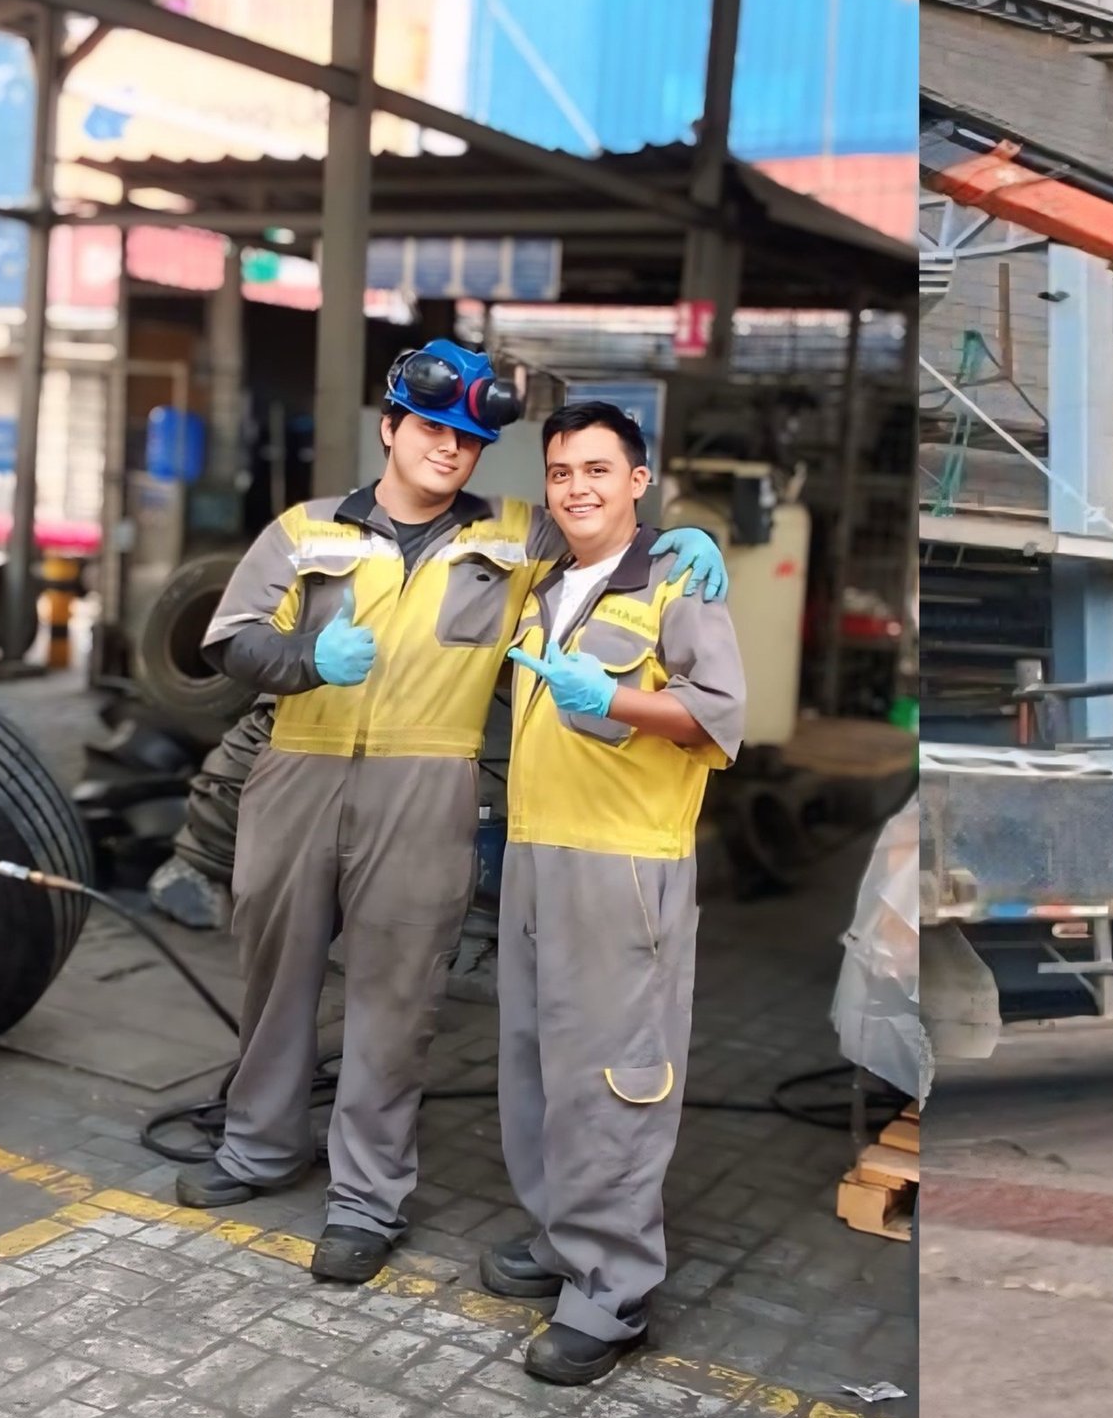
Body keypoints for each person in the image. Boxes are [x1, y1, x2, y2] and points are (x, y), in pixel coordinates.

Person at [173, 343, 727, 1289]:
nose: (449, 450)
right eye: (431, 428)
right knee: (276, 974)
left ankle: (366, 1200)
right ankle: (261, 1147)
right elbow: (229, 640)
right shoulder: (305, 530)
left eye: (469, 440)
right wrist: (308, 660)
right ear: (389, 428)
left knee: (397, 999)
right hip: (298, 774)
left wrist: (676, 540)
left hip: (427, 789)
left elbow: (606, 543)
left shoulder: (517, 535)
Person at [475, 400, 746, 1386]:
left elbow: (720, 716)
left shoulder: (677, 582)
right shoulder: (545, 582)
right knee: (536, 1064)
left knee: (615, 1079)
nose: (577, 488)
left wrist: (618, 701)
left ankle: (614, 1287)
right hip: (538, 851)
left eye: (599, 469)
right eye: (559, 472)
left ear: (638, 481)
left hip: (627, 864)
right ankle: (563, 1237)